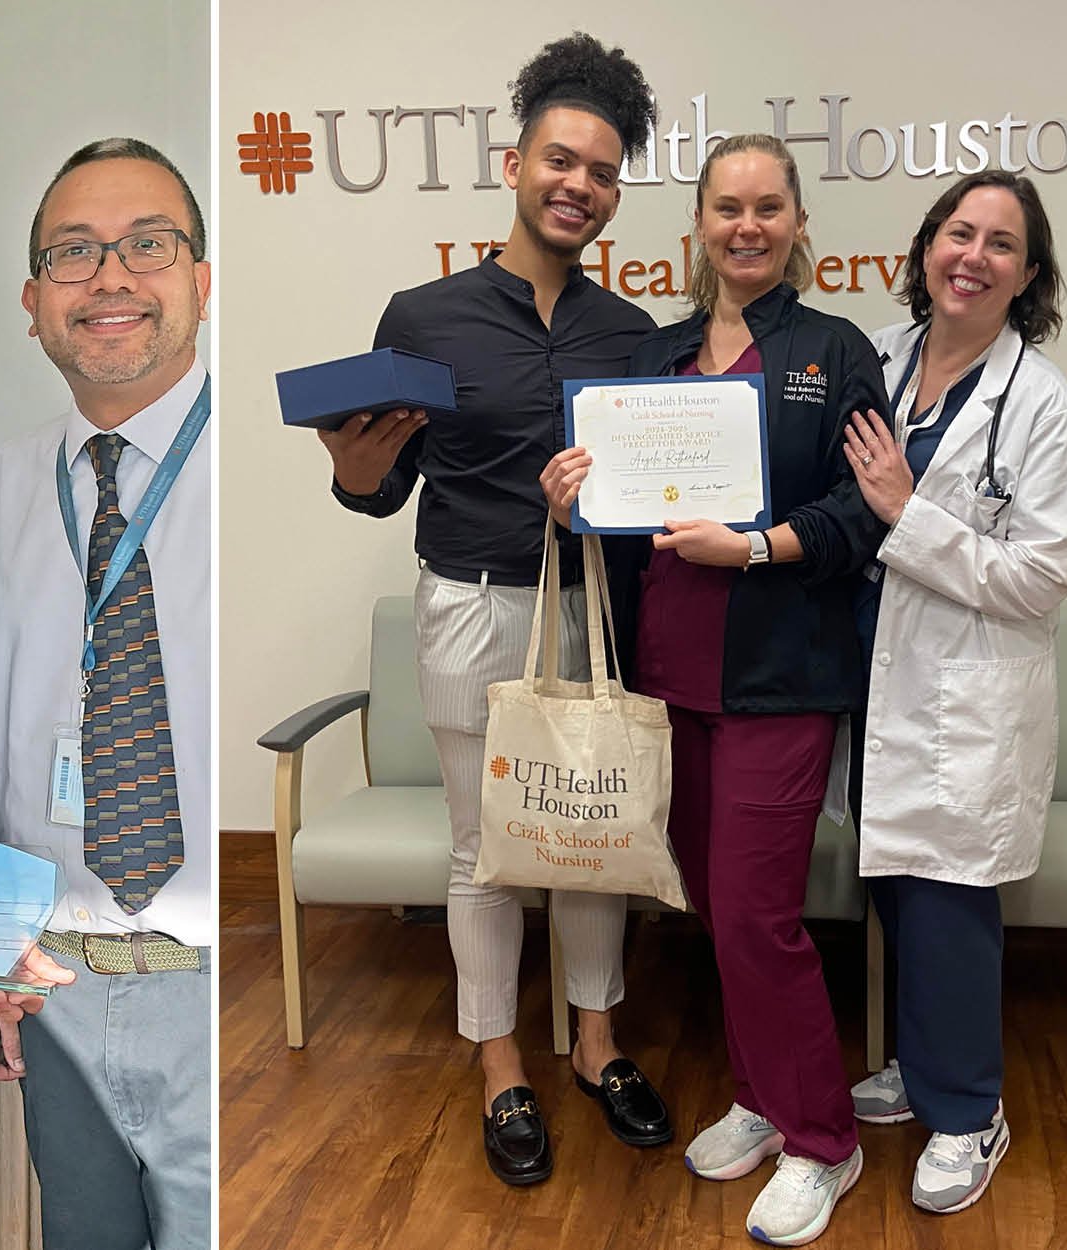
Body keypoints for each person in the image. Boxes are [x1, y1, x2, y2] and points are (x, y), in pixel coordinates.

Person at [315, 33, 670, 1185]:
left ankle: (596, 1043)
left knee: (594, 841)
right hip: (469, 604)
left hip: (590, 614)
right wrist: (349, 464)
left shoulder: (631, 335)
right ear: (512, 162)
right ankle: (499, 1056)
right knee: (485, 851)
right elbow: (378, 491)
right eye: (560, 160)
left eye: (603, 172)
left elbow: (657, 492)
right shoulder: (422, 317)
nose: (579, 185)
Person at [548, 134, 889, 1246]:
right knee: (710, 908)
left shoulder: (833, 353)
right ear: (696, 223)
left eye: (767, 207)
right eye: (726, 208)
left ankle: (822, 1140)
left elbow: (859, 511)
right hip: (669, 678)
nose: (746, 226)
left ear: (795, 222)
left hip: (777, 681)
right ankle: (761, 1092)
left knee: (756, 915)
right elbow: (619, 520)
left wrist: (755, 548)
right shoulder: (653, 360)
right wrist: (570, 498)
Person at [0, 136, 208, 1249]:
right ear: (31, 299)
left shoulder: (253, 463)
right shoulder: (2, 489)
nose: (109, 276)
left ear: (200, 277)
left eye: (146, 244)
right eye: (73, 252)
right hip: (54, 987)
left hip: (215, 983)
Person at [838, 171, 1067, 1216]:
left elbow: (1038, 574)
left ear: (1026, 274)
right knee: (894, 881)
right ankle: (919, 1061)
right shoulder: (879, 358)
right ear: (925, 244)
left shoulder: (1042, 404)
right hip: (869, 667)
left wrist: (907, 514)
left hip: (967, 692)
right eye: (956, 231)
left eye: (998, 243)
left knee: (946, 897)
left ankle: (967, 1107)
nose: (970, 255)